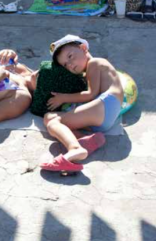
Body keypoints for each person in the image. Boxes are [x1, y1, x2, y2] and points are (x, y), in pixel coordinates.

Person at [41, 35, 126, 168]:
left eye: (70, 57)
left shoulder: (95, 62)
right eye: (65, 64)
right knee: (48, 117)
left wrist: (63, 97)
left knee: (53, 124)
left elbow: (90, 95)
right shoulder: (90, 70)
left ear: (83, 48)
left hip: (106, 104)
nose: (69, 64)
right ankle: (85, 141)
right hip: (103, 115)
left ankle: (75, 149)